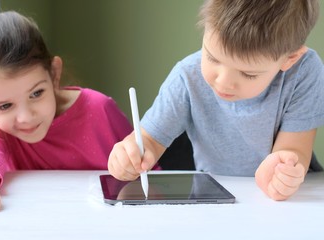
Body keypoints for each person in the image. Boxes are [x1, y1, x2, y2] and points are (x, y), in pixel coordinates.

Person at [108, 0, 324, 201]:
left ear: (290, 58)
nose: (223, 82)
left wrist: (283, 171)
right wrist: (129, 155)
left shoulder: (303, 73)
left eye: (248, 74)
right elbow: (149, 140)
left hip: (291, 201)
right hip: (215, 194)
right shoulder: (187, 77)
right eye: (212, 57)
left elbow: (294, 149)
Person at [0, 11, 133, 219]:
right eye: (5, 106)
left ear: (54, 74)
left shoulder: (99, 109)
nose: (26, 117)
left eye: (36, 93)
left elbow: (149, 174)